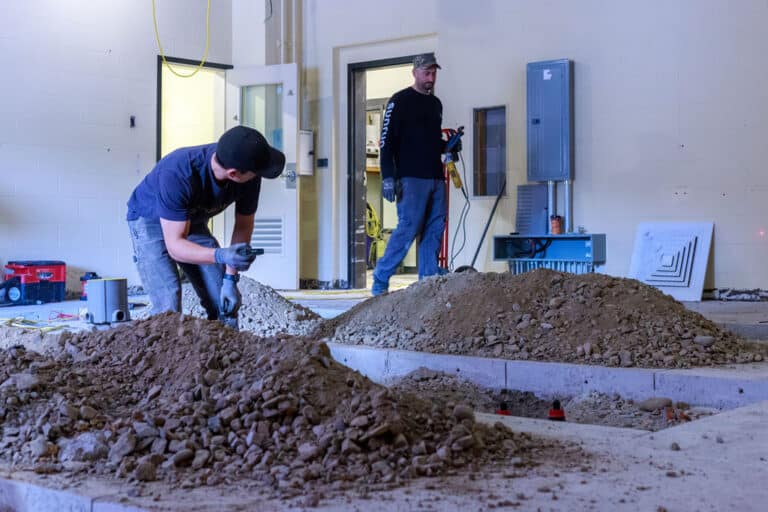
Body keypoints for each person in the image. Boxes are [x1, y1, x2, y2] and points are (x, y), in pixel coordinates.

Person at [126, 126, 285, 328]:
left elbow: (244, 225)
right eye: (256, 173)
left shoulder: (247, 171)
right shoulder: (178, 173)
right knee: (168, 298)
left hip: (191, 218)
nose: (258, 176)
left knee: (221, 295)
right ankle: (166, 352)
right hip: (149, 218)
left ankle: (228, 351)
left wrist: (230, 278)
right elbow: (175, 246)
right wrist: (221, 255)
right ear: (234, 174)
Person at [371, 52, 455, 296]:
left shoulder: (435, 104)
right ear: (415, 72)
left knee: (435, 227)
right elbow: (386, 142)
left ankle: (428, 279)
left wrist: (447, 146)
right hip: (410, 178)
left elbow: (430, 141)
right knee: (407, 228)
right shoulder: (399, 101)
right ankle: (381, 279)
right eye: (427, 73)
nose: (431, 78)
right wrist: (388, 176)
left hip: (435, 177)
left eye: (434, 73)